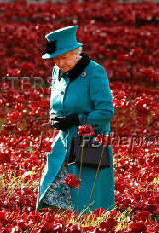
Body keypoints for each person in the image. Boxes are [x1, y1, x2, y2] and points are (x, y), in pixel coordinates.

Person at [36, 25, 115, 215]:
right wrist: (55, 118)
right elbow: (57, 101)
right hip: (63, 142)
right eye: (55, 59)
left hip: (88, 143)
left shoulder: (95, 72)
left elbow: (105, 111)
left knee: (86, 198)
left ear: (76, 52)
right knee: (51, 187)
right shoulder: (58, 71)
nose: (60, 63)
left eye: (64, 57)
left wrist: (78, 119)